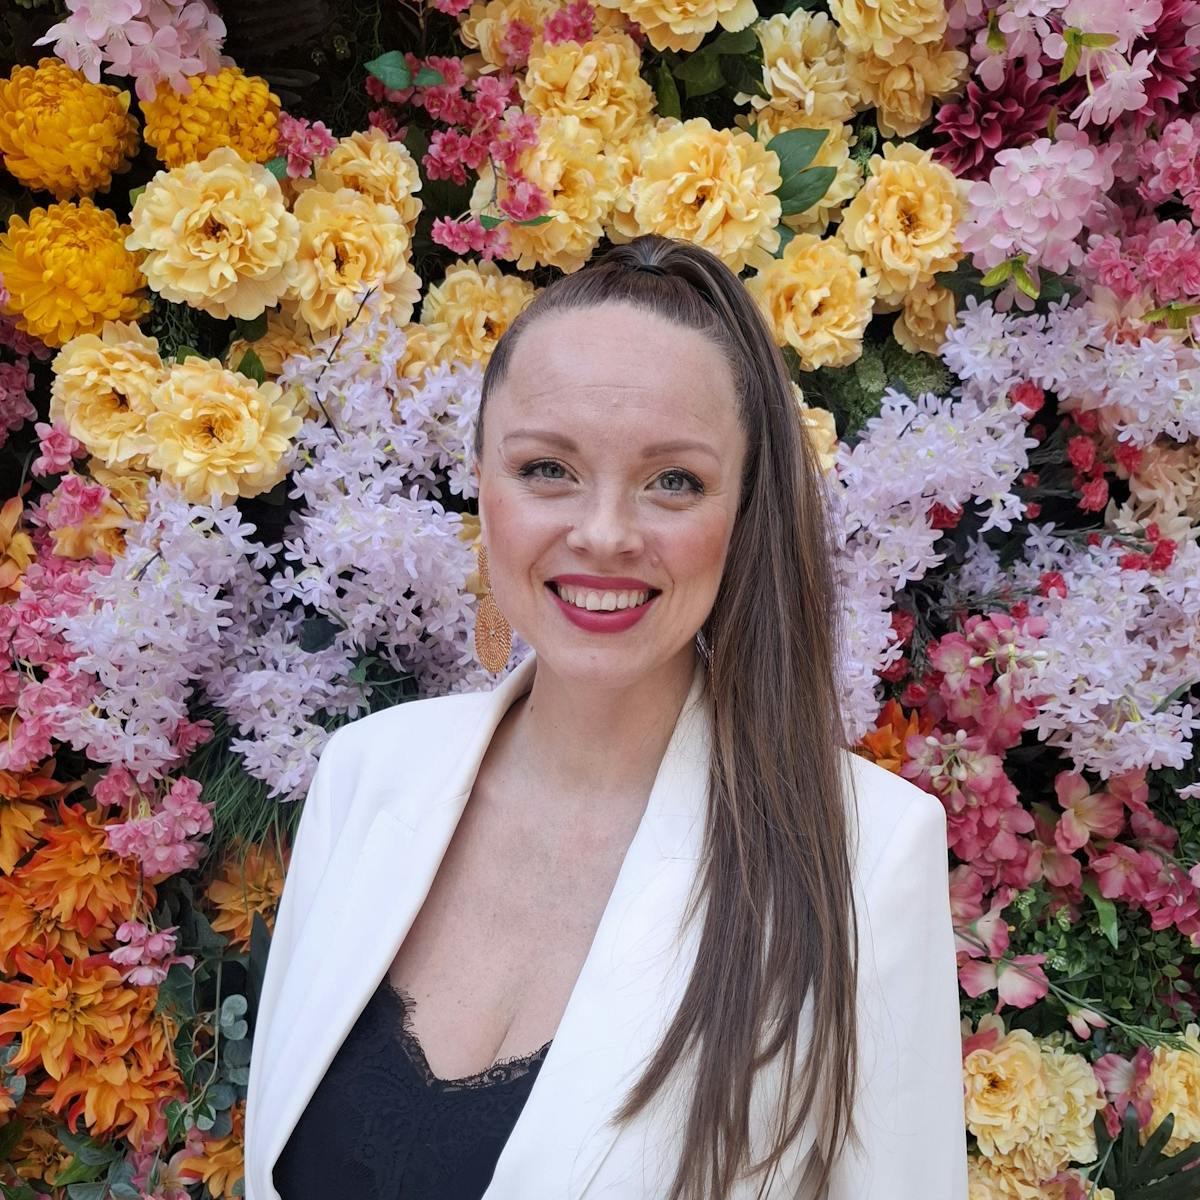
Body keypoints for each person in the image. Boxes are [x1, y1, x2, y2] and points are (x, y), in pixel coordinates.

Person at [244, 234, 967, 1200]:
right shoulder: (367, 774)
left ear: (744, 510)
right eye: (548, 468)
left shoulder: (864, 857)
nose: (605, 534)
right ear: (482, 481)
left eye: (675, 481)